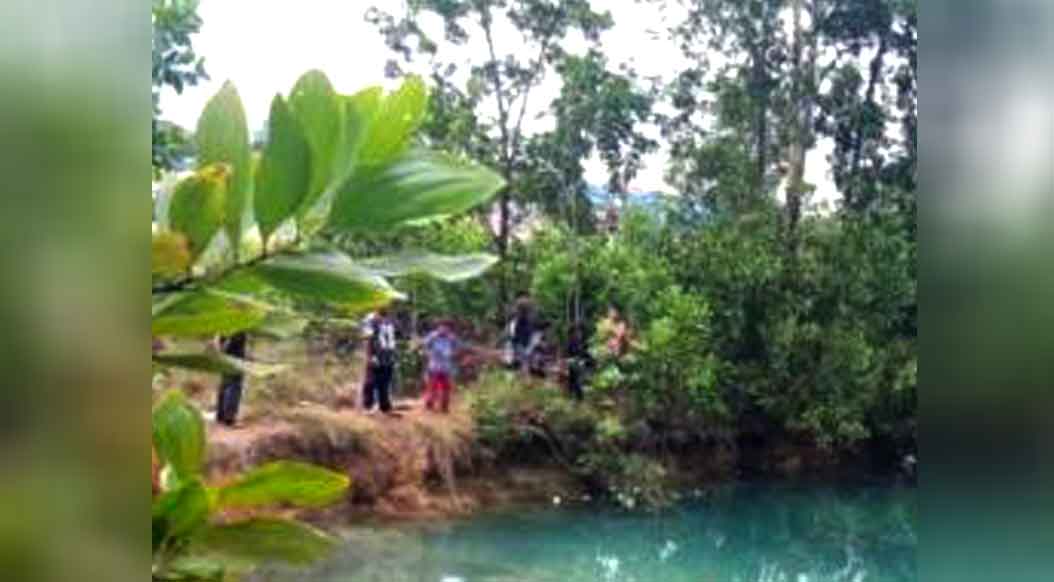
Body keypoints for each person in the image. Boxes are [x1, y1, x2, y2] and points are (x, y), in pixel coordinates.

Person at [421, 319, 463, 414]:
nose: (443, 329)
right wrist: (429, 353)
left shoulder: (452, 338)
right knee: (432, 386)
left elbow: (458, 349)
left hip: (446, 366)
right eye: (442, 327)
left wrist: (452, 354)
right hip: (434, 365)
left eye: (446, 327)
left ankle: (444, 406)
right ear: (438, 327)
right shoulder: (433, 336)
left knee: (446, 387)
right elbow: (424, 346)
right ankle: (429, 405)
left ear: (449, 329)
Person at [362, 307, 397, 415]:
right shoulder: (370, 321)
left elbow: (391, 340)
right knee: (371, 381)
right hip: (375, 355)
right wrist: (370, 356)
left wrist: (392, 356)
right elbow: (367, 340)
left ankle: (385, 407)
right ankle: (368, 406)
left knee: (385, 382)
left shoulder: (389, 322)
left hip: (387, 356)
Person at [565, 322, 592, 401]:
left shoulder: (585, 343)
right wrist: (570, 359)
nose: (577, 334)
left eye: (579, 332)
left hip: (583, 364)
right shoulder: (570, 342)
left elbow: (589, 355)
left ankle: (578, 395)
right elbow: (567, 354)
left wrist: (584, 361)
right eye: (576, 332)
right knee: (573, 375)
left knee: (577, 377)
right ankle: (573, 393)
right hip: (573, 363)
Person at [507, 294, 534, 372]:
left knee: (521, 352)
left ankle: (520, 365)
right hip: (521, 337)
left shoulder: (521, 318)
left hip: (522, 336)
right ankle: (520, 365)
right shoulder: (519, 318)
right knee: (522, 352)